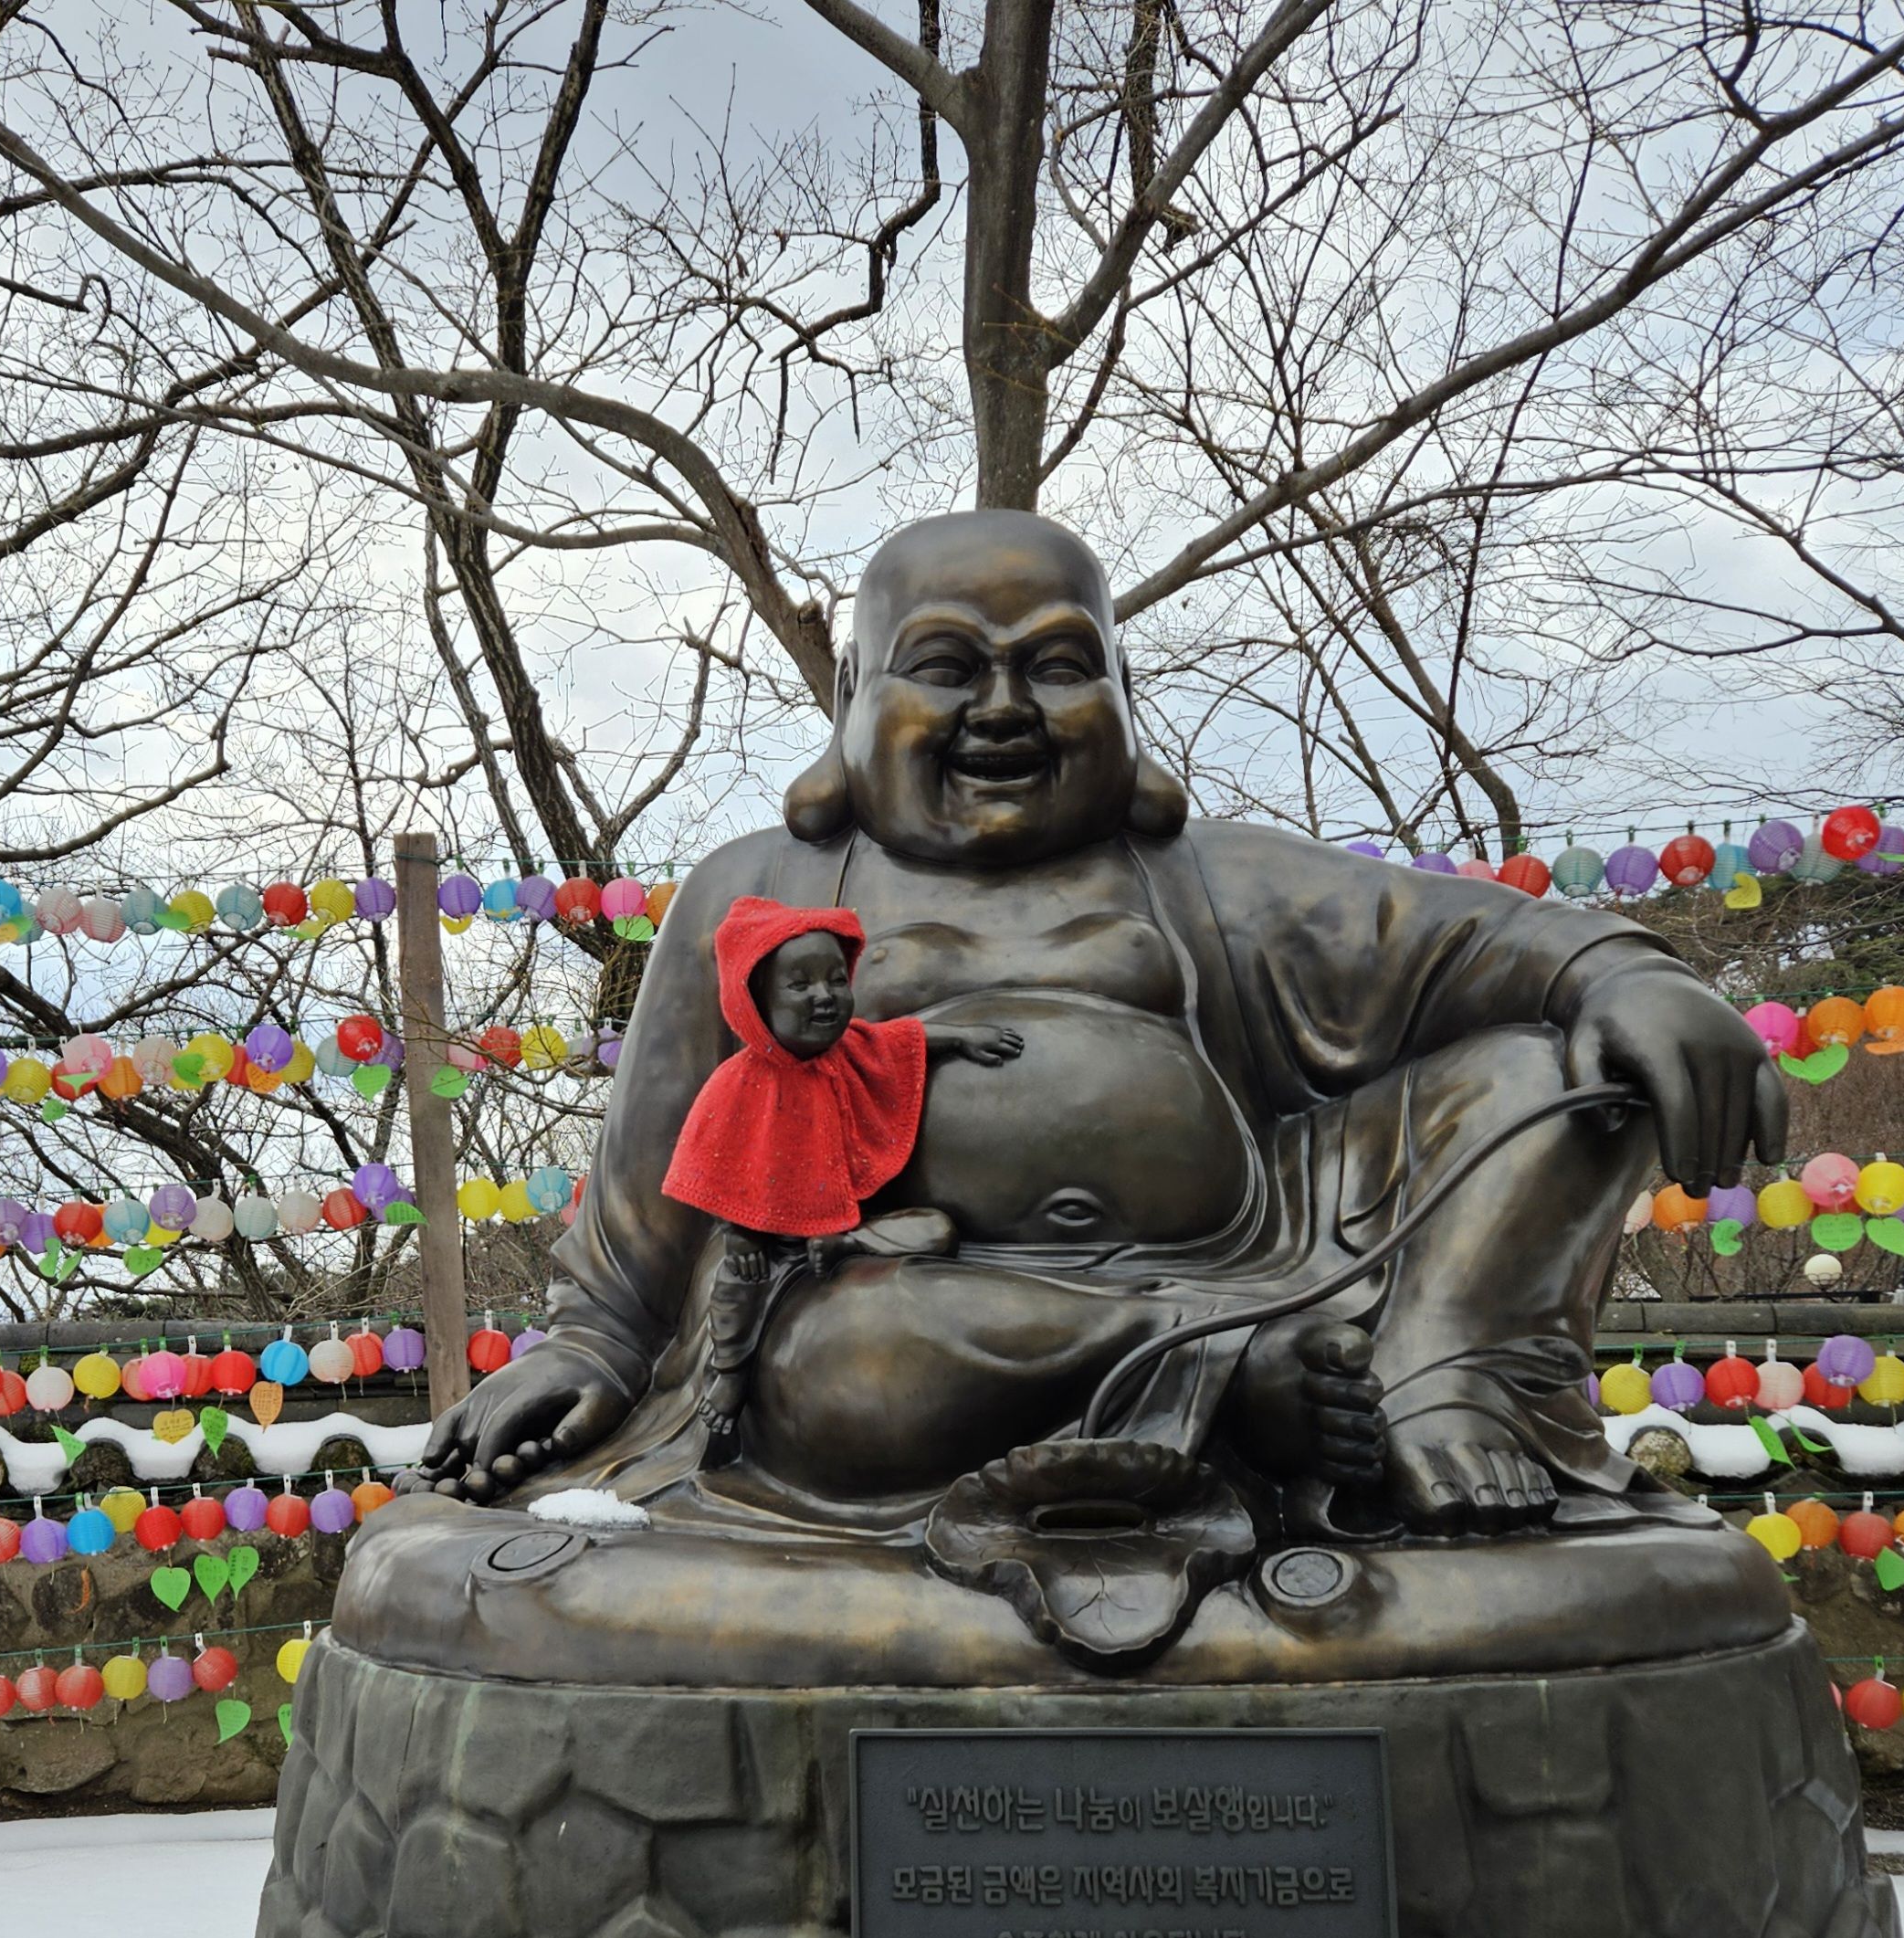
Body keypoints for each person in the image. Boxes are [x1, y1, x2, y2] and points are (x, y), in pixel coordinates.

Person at [419, 510, 1782, 1532]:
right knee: (850, 1369)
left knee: (1551, 1079)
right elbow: (662, 1170)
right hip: (924, 1297)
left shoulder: (1208, 876)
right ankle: (1232, 1380)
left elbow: (1456, 935)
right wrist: (595, 1340)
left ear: (1121, 696)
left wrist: (1628, 976)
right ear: (852, 701)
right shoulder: (761, 892)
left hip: (1282, 1246)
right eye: (947, 667)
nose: (1004, 708)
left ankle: (1436, 1374)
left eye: (1058, 666)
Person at [660, 894, 1019, 1450]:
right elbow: (716, 1163)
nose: (824, 996)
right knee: (736, 1285)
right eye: (799, 985)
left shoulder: (851, 1050)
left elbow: (902, 1039)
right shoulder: (739, 1082)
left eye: (835, 980)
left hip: (847, 1222)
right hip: (770, 1235)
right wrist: (741, 1232)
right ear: (756, 1002)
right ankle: (729, 1371)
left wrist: (961, 1035)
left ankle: (846, 1245)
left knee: (937, 1230)